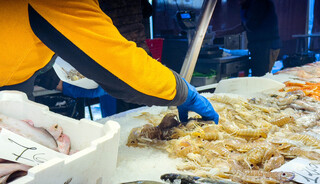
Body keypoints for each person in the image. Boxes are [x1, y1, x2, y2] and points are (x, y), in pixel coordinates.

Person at [0, 0, 219, 124]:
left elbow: (18, 36)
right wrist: (182, 91)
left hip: (12, 87)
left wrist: (54, 81)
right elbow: (122, 66)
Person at [215, 0, 281, 76]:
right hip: (258, 47)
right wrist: (221, 33)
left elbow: (251, 24)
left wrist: (222, 32)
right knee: (257, 76)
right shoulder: (246, 6)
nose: (237, 2)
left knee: (261, 77)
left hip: (267, 46)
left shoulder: (259, 3)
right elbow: (244, 26)